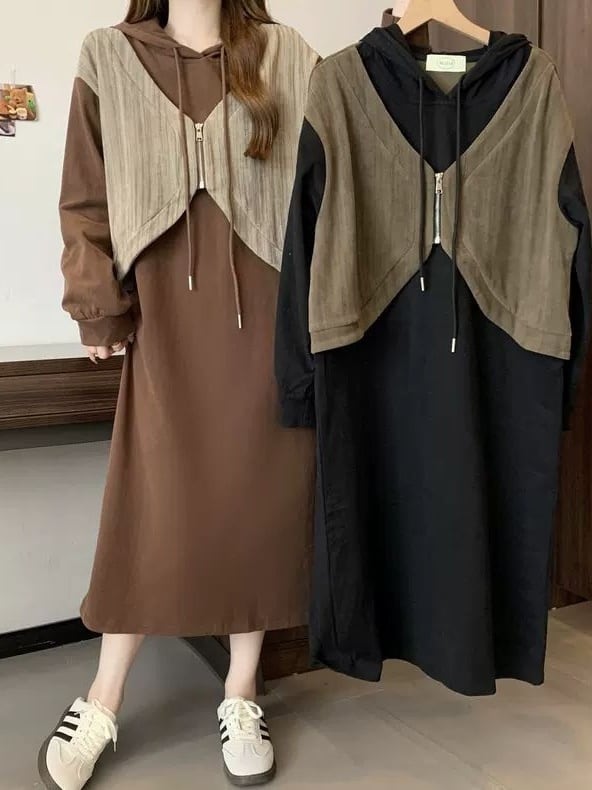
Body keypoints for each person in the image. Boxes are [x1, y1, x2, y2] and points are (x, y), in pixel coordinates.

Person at [38, 2, 317, 788]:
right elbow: (85, 197)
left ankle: (240, 692)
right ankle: (104, 698)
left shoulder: (288, 56)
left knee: (260, 494)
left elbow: (328, 187)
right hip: (162, 313)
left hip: (269, 309)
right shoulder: (108, 55)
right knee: (152, 500)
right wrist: (96, 305)